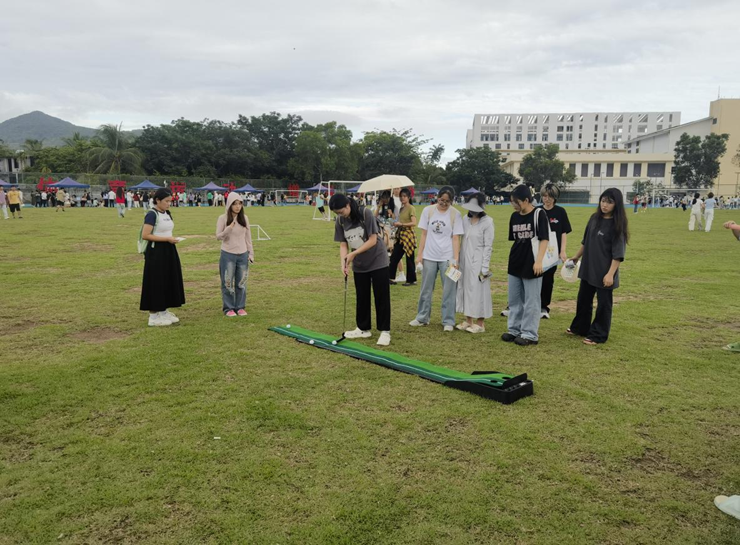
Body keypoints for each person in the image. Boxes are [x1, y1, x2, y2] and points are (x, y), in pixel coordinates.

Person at [566, 188, 629, 345]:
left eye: (609, 202)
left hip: (604, 273)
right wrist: (576, 257)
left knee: (603, 305)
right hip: (588, 268)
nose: (604, 205)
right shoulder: (594, 218)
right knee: (583, 300)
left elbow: (618, 255)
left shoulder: (617, 226)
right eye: (603, 200)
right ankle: (580, 327)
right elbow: (585, 241)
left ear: (616, 204)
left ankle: (598, 335)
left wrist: (610, 274)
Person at [330, 192, 391, 346]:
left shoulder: (366, 213)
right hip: (360, 264)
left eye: (341, 211)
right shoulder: (340, 221)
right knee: (362, 296)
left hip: (378, 260)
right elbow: (343, 244)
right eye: (337, 213)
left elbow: (373, 240)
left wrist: (354, 253)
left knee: (381, 296)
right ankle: (363, 328)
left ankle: (385, 331)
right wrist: (343, 262)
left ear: (348, 205)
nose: (340, 215)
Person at [410, 186, 464, 331]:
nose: (444, 203)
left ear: (452, 201)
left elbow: (456, 238)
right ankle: (422, 317)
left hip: (448, 258)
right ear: (437, 197)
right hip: (429, 256)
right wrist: (420, 255)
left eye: (447, 201)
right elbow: (424, 234)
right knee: (426, 289)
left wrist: (455, 260)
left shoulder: (455, 214)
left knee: (449, 290)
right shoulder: (428, 211)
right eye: (441, 200)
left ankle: (448, 321)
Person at [501, 184, 549, 346]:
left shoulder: (539, 214)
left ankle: (529, 334)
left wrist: (539, 261)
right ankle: (514, 329)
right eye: (512, 202)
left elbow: (544, 239)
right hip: (516, 261)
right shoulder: (514, 217)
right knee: (514, 299)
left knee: (531, 300)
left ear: (526, 200)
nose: (513, 205)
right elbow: (515, 240)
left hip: (533, 263)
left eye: (516, 202)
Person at [139, 189, 186, 327]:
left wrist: (171, 239)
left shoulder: (167, 213)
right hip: (156, 252)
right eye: (166, 201)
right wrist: (167, 239)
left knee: (168, 279)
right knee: (156, 281)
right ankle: (153, 316)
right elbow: (145, 235)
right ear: (157, 200)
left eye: (170, 201)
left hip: (169, 250)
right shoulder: (151, 214)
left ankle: (163, 311)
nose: (169, 204)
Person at [455, 192, 493, 333]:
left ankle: (480, 323)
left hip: (478, 261)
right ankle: (468, 320)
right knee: (465, 288)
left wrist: (485, 267)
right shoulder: (465, 219)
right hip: (464, 259)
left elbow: (488, 246)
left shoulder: (487, 222)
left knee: (479, 290)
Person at [216, 193, 254, 317]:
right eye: (235, 204)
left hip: (242, 254)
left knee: (241, 283)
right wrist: (228, 228)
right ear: (229, 205)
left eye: (240, 204)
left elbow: (248, 237)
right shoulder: (222, 218)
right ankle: (229, 308)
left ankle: (240, 307)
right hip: (228, 254)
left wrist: (251, 253)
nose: (237, 207)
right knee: (227, 283)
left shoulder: (244, 218)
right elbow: (218, 236)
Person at [539, 183, 572, 319]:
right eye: (544, 196)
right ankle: (530, 304)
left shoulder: (560, 212)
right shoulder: (537, 211)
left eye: (550, 197)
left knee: (548, 279)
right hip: (538, 251)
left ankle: (543, 307)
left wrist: (562, 250)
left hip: (553, 252)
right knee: (534, 278)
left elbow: (563, 232)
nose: (547, 199)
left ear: (555, 197)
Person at [388, 188, 418, 287]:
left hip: (408, 236)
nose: (402, 198)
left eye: (404, 196)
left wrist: (401, 224)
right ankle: (390, 277)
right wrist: (393, 218)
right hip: (400, 235)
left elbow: (414, 223)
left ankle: (411, 280)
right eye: (401, 196)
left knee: (409, 258)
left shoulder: (411, 208)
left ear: (409, 197)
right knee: (394, 257)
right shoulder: (401, 209)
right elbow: (398, 220)